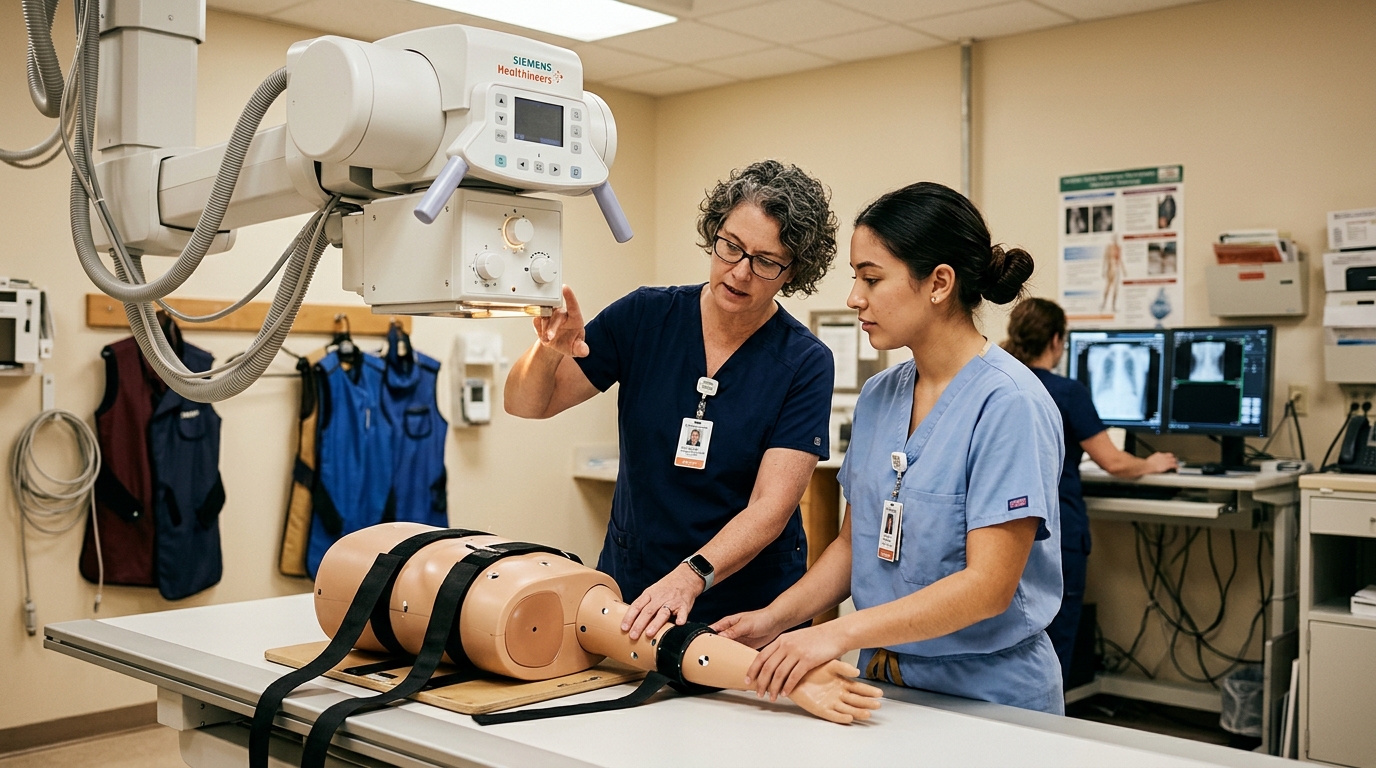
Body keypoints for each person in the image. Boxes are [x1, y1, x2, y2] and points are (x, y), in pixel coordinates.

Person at [713, 181, 1068, 714]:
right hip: (883, 685)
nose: (855, 297)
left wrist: (835, 633)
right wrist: (774, 620)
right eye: (856, 278)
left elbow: (988, 587)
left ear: (939, 283)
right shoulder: (881, 395)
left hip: (990, 695)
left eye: (872, 278)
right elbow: (852, 547)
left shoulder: (1010, 404)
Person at [505, 160, 839, 642]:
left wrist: (691, 575)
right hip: (637, 585)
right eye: (731, 246)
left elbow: (771, 507)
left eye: (766, 261)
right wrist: (548, 349)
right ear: (714, 232)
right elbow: (527, 404)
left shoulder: (804, 362)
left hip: (744, 607)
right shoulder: (645, 317)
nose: (740, 272)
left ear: (794, 271)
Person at [1001, 298, 1178, 686]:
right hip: (1057, 534)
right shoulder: (1067, 392)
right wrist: (1152, 463)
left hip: (1003, 531)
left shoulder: (1000, 382)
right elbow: (1114, 463)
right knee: (1054, 645)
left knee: (1012, 642)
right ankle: (1051, 715)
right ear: (1056, 340)